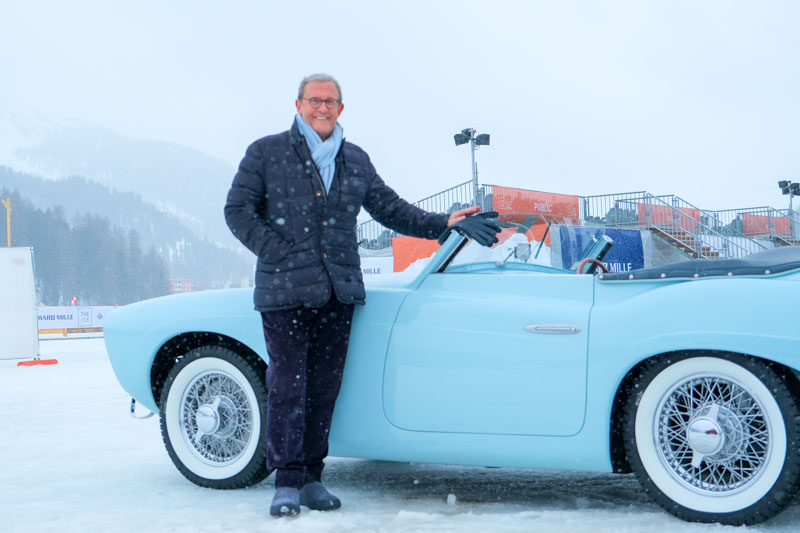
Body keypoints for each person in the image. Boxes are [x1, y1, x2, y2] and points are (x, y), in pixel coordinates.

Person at [224, 73, 499, 517]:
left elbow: (392, 210)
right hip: (285, 293)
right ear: (298, 105)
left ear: (341, 108)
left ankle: (312, 477)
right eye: (314, 100)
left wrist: (444, 224)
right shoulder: (266, 152)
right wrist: (278, 251)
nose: (322, 107)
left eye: (330, 101)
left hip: (338, 293)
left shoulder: (355, 160)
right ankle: (287, 482)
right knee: (288, 387)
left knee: (324, 389)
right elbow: (237, 210)